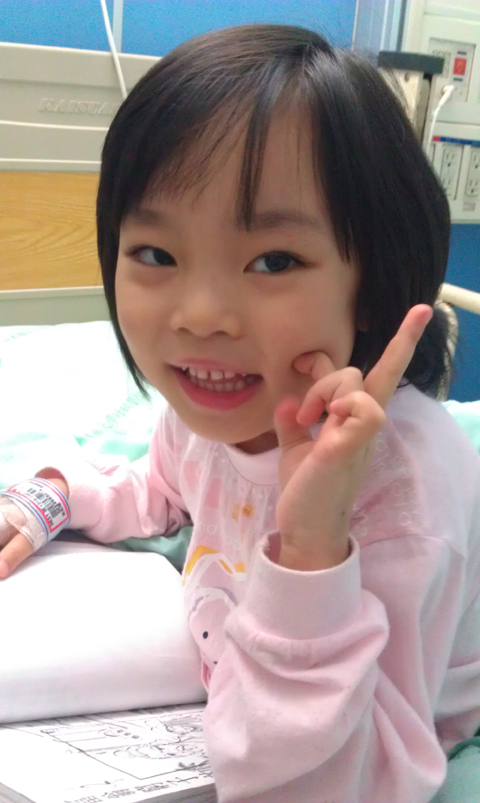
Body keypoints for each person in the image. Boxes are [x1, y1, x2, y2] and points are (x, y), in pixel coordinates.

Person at [1, 24, 480, 803]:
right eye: (156, 254)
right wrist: (55, 496)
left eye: (273, 261)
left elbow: (350, 782)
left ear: (372, 280)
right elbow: (158, 487)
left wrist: (313, 549)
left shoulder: (405, 499)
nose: (199, 315)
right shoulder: (207, 415)